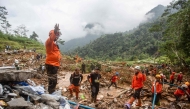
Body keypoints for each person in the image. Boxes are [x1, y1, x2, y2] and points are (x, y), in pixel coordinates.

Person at [45, 24, 62, 94]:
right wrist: (55, 31)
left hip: (54, 65)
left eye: (58, 35)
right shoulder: (49, 43)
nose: (57, 37)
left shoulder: (55, 45)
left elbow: (57, 54)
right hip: (51, 64)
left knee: (53, 80)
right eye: (56, 35)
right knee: (52, 81)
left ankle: (51, 92)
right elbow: (51, 38)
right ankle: (51, 93)